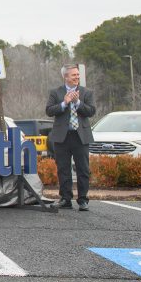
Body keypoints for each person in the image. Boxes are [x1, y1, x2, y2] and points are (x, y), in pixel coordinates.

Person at [45, 64, 96, 211]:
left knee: (83, 169)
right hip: (62, 137)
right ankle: (65, 199)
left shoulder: (86, 92)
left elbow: (91, 111)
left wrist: (78, 102)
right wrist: (64, 103)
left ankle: (83, 200)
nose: (77, 77)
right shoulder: (56, 92)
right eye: (74, 75)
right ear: (65, 77)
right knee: (63, 169)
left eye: (78, 75)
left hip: (81, 137)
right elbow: (49, 111)